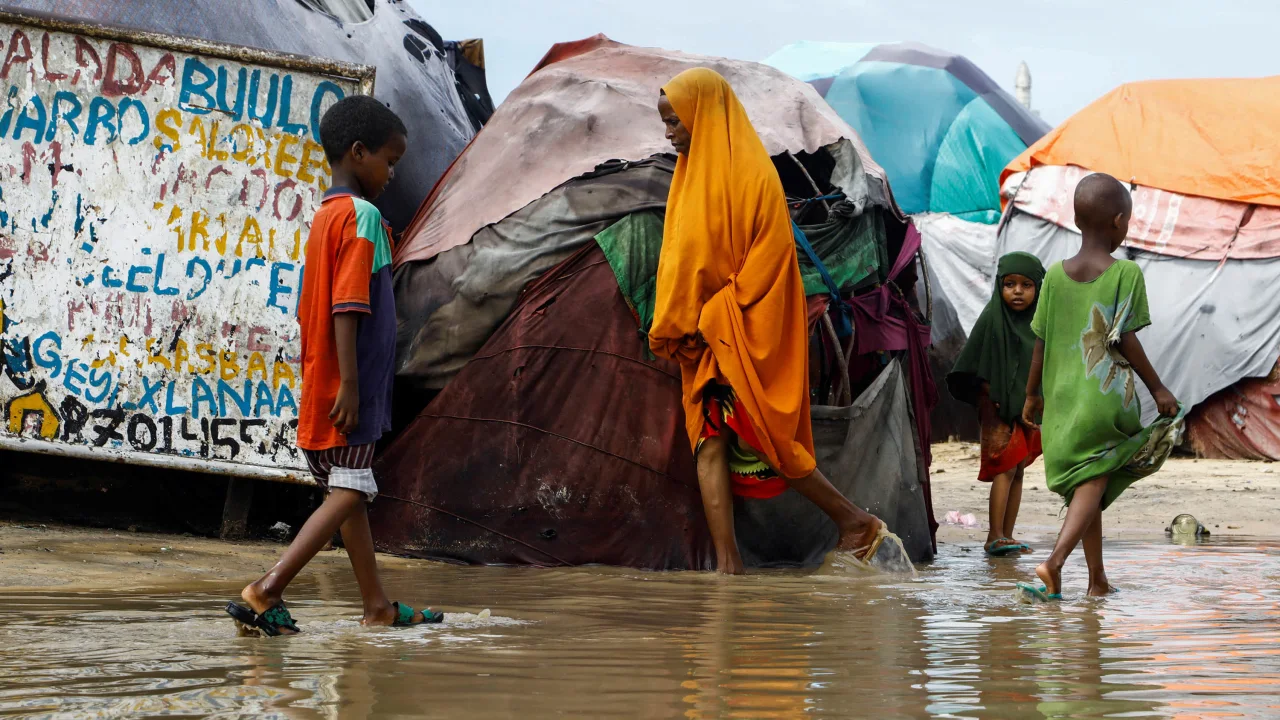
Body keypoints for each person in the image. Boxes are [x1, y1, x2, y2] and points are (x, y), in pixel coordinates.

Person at [649, 67, 885, 575]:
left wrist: (712, 312)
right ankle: (728, 567)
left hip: (741, 328)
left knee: (769, 441)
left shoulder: (751, 177)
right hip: (705, 337)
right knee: (707, 442)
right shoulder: (687, 179)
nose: (669, 133)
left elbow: (769, 266)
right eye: (665, 123)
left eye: (675, 122)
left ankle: (856, 521)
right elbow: (682, 258)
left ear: (703, 114)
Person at [225, 96, 440, 635]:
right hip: (352, 386)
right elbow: (348, 305)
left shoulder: (325, 217)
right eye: (389, 162)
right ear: (359, 152)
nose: (392, 174)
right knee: (353, 490)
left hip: (326, 380)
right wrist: (350, 384)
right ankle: (266, 589)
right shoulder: (363, 217)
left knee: (350, 492)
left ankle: (377, 607)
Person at [1018, 172, 1182, 600]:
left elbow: (1041, 341)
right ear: (1118, 221)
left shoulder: (1052, 276)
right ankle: (1054, 564)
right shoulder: (1125, 273)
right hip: (1104, 399)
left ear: (1075, 220)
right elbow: (1125, 338)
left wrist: (1032, 395)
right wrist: (1159, 389)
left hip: (1062, 400)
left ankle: (1097, 581)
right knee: (1093, 479)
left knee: (1087, 481)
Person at [947, 252, 1046, 557]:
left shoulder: (1039, 326)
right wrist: (997, 395)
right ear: (999, 287)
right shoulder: (992, 318)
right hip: (997, 406)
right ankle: (994, 535)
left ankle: (1008, 534)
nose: (1017, 291)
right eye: (1010, 284)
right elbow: (973, 364)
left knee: (1018, 470)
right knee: (1004, 468)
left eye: (1026, 285)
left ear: (1038, 288)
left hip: (1024, 409)